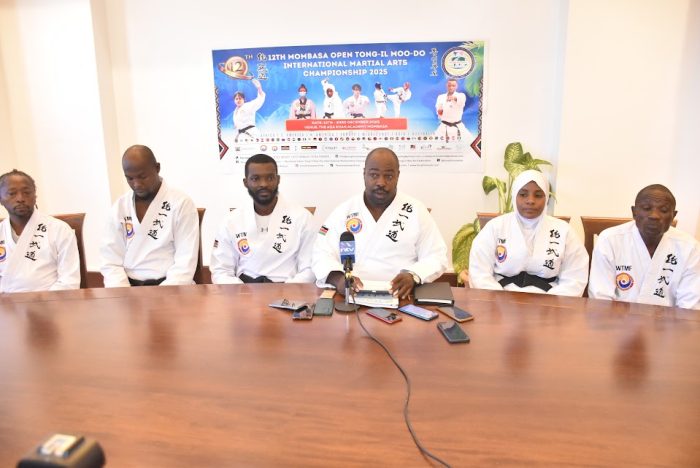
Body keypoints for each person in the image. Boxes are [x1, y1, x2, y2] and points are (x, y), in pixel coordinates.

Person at [312, 147, 447, 299]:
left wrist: (413, 275)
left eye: (388, 176)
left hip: (401, 297)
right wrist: (338, 279)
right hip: (352, 297)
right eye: (374, 175)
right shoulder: (344, 211)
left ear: (398, 176)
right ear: (364, 174)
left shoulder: (416, 210)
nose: (381, 182)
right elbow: (321, 252)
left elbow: (436, 255)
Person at [469, 170, 589, 296]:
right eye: (523, 194)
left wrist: (550, 303)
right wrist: (498, 299)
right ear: (514, 195)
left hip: (551, 300)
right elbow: (479, 272)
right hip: (500, 297)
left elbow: (575, 278)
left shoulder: (564, 231)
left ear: (546, 198)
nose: (530, 200)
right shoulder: (495, 227)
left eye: (538, 195)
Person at [100, 145, 200, 287]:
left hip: (172, 287)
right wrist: (123, 292)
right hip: (128, 288)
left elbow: (185, 262)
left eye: (142, 177)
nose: (137, 184)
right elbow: (110, 260)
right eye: (130, 178)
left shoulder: (181, 203)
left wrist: (162, 294)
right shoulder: (120, 207)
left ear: (157, 168)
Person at [588, 184, 700, 309]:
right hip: (616, 319)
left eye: (663, 210)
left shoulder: (690, 247)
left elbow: (689, 306)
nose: (654, 216)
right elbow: (601, 299)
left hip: (669, 320)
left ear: (673, 215)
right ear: (634, 212)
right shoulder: (610, 240)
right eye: (647, 208)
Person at [210, 154, 315, 284]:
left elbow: (309, 269)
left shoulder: (302, 218)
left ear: (278, 180)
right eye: (255, 179)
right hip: (243, 290)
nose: (263, 184)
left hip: (287, 289)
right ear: (246, 182)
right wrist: (242, 292)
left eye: (270, 178)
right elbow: (221, 271)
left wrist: (286, 291)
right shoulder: (231, 221)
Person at [0, 170, 80, 293]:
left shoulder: (59, 229)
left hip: (49, 301)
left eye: (26, 192)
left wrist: (43, 301)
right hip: (5, 302)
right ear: (1, 199)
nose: (20, 198)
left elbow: (69, 281)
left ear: (35, 196)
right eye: (12, 193)